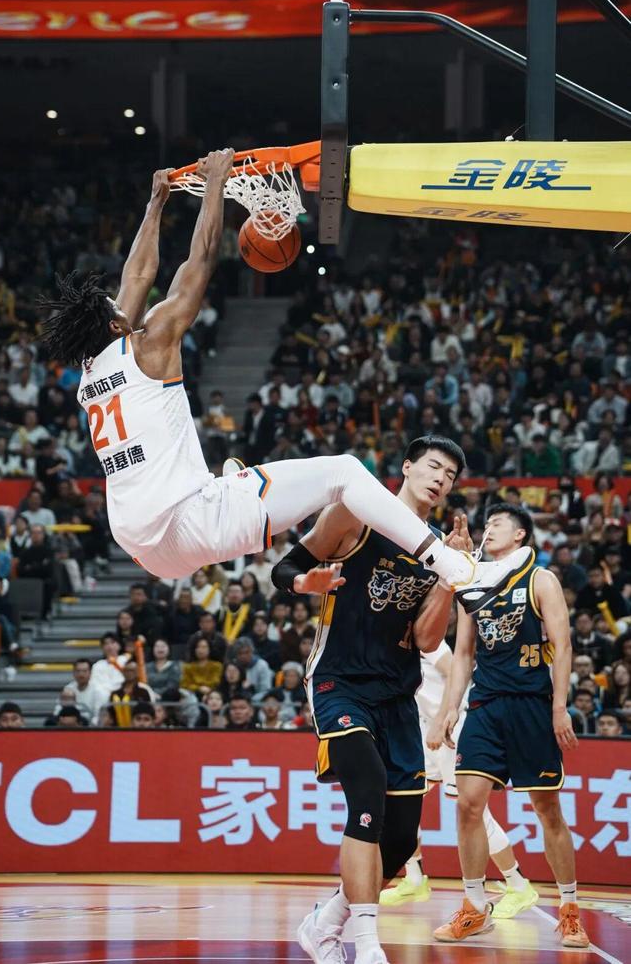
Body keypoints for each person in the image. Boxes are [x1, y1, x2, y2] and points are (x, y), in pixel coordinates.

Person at [40, 158, 530, 619]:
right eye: (116, 307)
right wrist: (215, 183)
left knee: (237, 483)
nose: (122, 300)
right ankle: (458, 569)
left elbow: (137, 275)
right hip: (191, 521)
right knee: (344, 472)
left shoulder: (91, 367)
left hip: (141, 542)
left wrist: (157, 201)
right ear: (115, 325)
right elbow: (199, 262)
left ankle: (236, 486)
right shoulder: (151, 343)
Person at [273, 436, 472, 964]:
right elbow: (283, 568)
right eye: (433, 467)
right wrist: (305, 583)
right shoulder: (354, 516)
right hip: (339, 682)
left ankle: (325, 923)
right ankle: (364, 943)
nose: (441, 479)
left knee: (401, 840)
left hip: (397, 694)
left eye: (451, 475)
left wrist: (449, 578)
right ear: (406, 467)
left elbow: (427, 640)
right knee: (367, 794)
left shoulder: (434, 549)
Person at [434, 503, 588, 949]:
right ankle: (474, 907)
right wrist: (449, 708)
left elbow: (563, 645)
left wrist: (559, 707)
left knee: (547, 810)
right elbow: (464, 654)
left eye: (497, 524)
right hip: (485, 705)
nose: (489, 530)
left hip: (531, 706)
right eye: (487, 524)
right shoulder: (473, 583)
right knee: (468, 803)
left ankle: (569, 909)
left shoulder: (541, 580)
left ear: (520, 535)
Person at [382, 640, 537, 919]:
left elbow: (456, 671)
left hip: (451, 730)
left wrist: (444, 717)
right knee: (401, 799)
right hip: (424, 729)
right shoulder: (392, 639)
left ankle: (518, 885)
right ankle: (414, 878)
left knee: (475, 814)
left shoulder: (426, 639)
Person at [63, 658, 106, 724]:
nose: (81, 674)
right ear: (73, 673)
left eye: (84, 671)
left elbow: (98, 715)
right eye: (78, 671)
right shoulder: (68, 689)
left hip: (89, 724)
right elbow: (58, 710)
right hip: (68, 723)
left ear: (90, 673)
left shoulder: (98, 691)